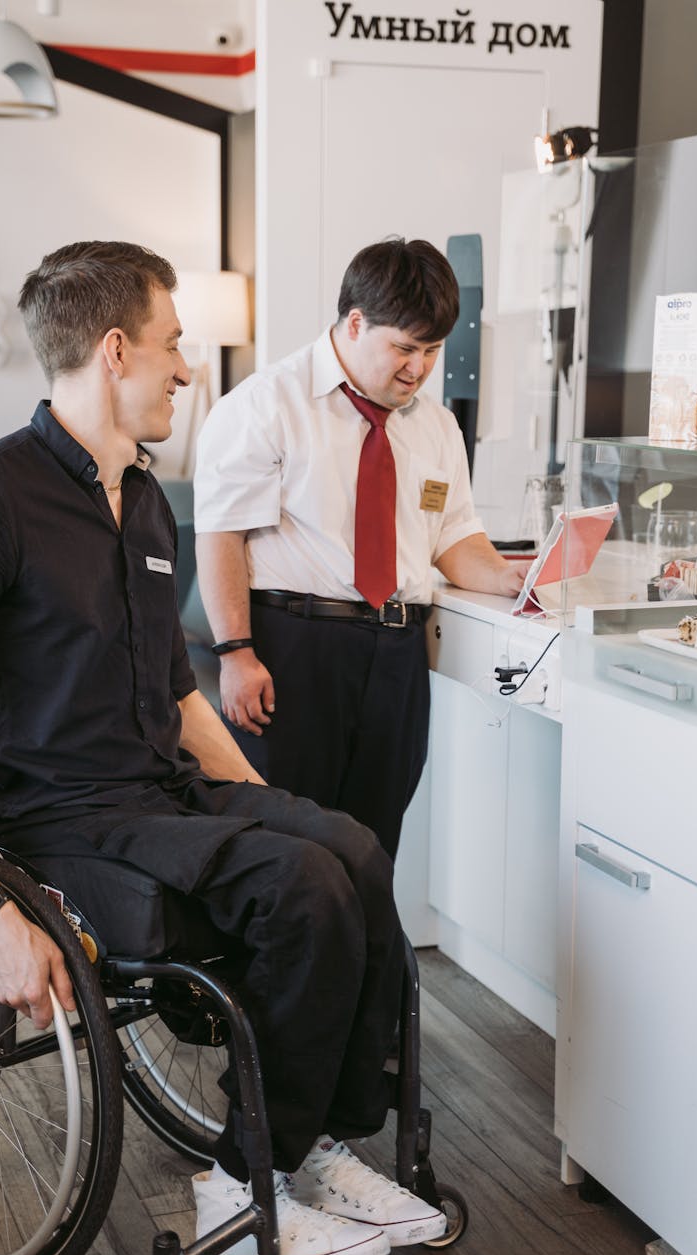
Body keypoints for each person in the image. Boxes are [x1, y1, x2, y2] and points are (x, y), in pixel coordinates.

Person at [0, 241, 448, 1255]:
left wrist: (267, 802)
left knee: (347, 846)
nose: (188, 369)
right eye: (175, 346)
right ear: (114, 349)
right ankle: (238, 1182)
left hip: (162, 792)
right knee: (303, 884)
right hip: (61, 820)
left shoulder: (142, 497)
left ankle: (315, 1146)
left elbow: (180, 696)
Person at [194, 237, 532, 861]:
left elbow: (455, 537)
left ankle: (362, 963)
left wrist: (517, 579)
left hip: (398, 654)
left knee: (376, 845)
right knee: (288, 848)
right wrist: (235, 653)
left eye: (432, 350)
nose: (420, 368)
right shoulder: (267, 405)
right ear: (355, 322)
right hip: (295, 652)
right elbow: (221, 536)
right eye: (404, 348)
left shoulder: (434, 425)